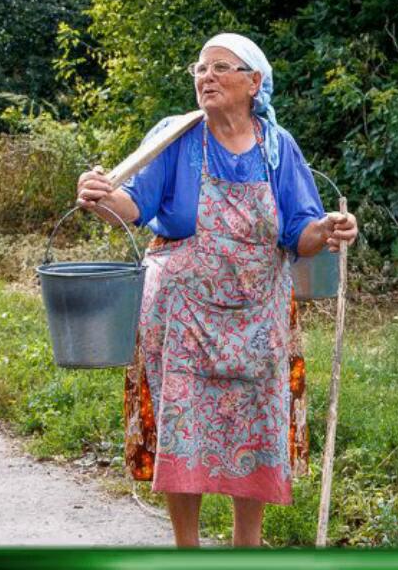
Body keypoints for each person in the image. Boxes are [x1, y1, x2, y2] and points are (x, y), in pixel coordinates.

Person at [75, 33, 358, 548]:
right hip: (181, 317)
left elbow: (301, 231)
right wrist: (102, 196)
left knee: (256, 428)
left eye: (219, 67)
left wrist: (331, 229)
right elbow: (133, 205)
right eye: (199, 69)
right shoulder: (176, 136)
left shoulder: (278, 147)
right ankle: (187, 550)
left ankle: (244, 550)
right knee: (184, 431)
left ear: (254, 83)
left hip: (258, 319)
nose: (205, 77)